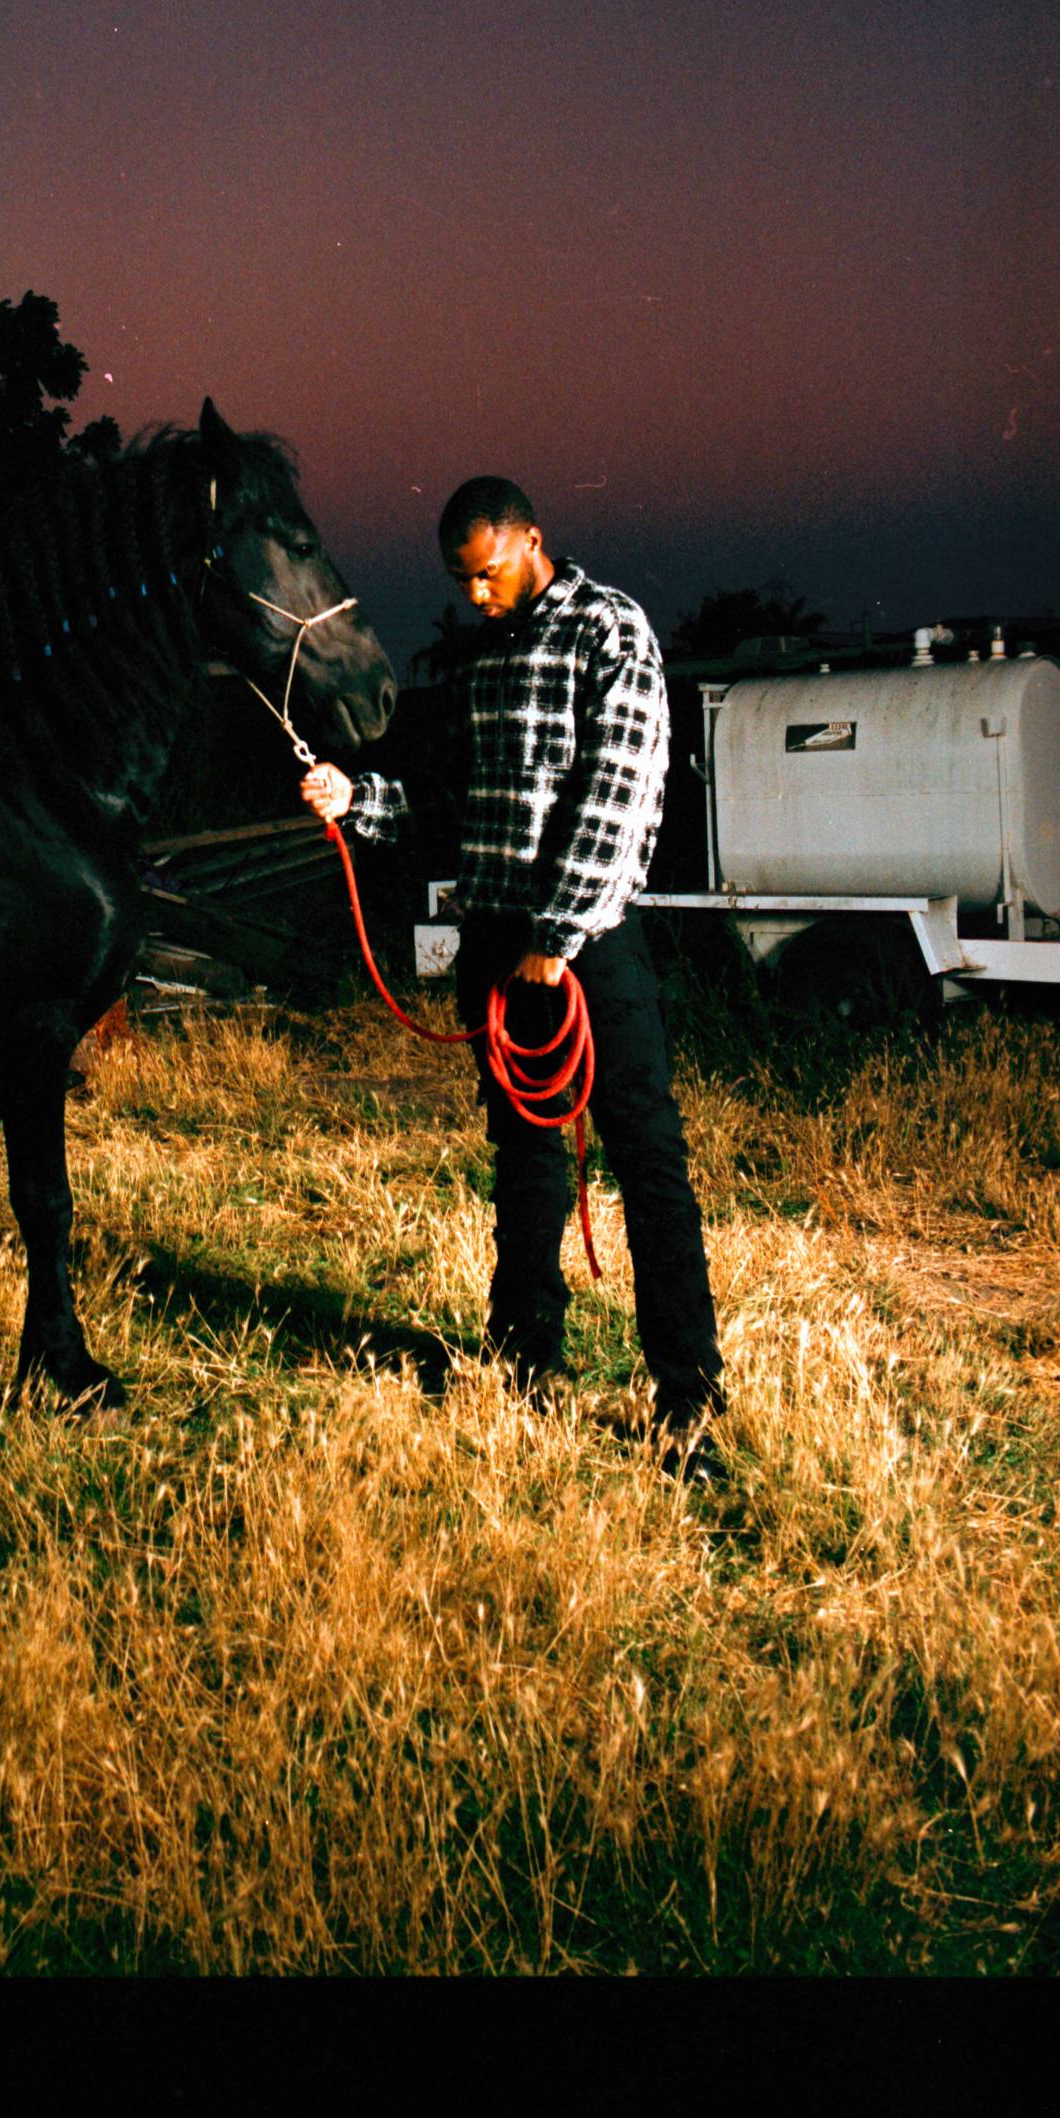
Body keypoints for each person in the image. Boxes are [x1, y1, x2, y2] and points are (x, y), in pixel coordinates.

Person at [300, 476, 727, 1483]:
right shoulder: (486, 656)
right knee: (525, 1160)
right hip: (500, 949)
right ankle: (525, 1365)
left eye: (487, 574)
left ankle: (687, 1397)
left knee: (647, 1159)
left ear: (532, 541)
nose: (476, 596)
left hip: (588, 951)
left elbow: (616, 791)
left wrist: (560, 930)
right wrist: (354, 798)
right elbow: (456, 803)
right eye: (461, 581)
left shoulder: (608, 631)